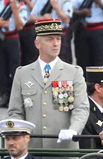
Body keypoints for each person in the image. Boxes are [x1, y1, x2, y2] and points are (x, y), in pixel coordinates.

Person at [8, 19, 89, 149]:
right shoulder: (23, 73)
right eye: (50, 39)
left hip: (64, 149)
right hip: (32, 149)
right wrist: (22, 133)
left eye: (58, 39)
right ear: (37, 43)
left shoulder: (74, 73)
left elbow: (81, 108)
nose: (56, 43)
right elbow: (15, 111)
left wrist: (74, 130)